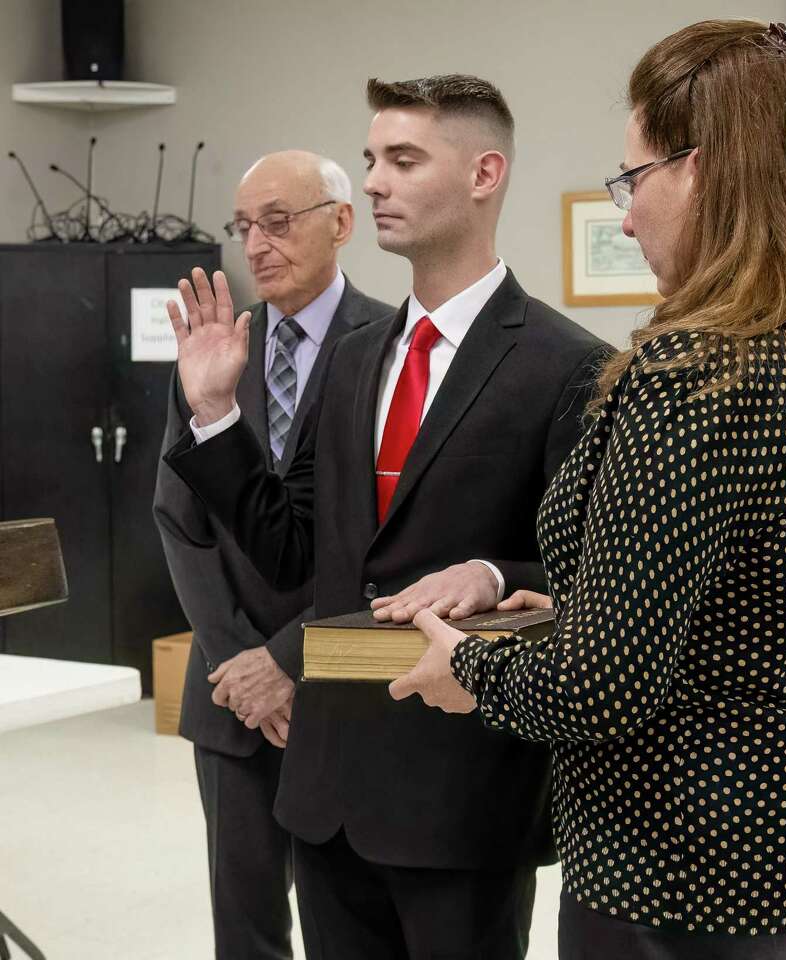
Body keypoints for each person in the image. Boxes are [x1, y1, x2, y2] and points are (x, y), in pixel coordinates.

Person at [388, 21, 786, 958]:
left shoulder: (694, 376)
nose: (626, 216)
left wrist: (471, 670)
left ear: (707, 171)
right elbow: (784, 597)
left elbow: (603, 690)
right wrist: (595, 602)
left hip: (691, 868)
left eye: (633, 180)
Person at [162, 76, 609, 959]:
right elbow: (295, 553)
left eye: (403, 160)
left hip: (462, 789)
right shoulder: (355, 358)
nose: (373, 183)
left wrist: (491, 576)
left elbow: (588, 577)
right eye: (370, 161)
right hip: (329, 789)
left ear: (485, 173)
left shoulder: (571, 366)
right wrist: (215, 413)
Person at [153, 150, 393, 960]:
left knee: (352, 921)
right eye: (243, 226)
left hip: (347, 678)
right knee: (244, 922)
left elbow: (382, 538)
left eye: (278, 221)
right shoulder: (212, 349)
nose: (255, 244)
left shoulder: (391, 344)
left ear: (342, 223)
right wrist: (240, 666)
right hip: (228, 691)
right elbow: (179, 519)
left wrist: (294, 660)